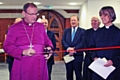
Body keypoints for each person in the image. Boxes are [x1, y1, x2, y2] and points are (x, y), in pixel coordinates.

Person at [3, 2, 53, 80]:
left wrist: (49, 49)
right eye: (31, 14)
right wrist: (22, 52)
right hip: (22, 63)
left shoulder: (40, 27)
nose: (34, 17)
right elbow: (7, 46)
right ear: (24, 13)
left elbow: (47, 41)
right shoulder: (14, 28)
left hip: (39, 64)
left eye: (36, 14)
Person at [90, 6, 120, 80]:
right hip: (98, 69)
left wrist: (113, 61)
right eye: (101, 15)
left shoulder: (118, 32)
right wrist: (94, 57)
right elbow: (91, 47)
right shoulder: (97, 32)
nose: (102, 17)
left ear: (112, 15)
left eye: (105, 15)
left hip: (113, 69)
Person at [62, 15, 85, 80]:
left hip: (78, 56)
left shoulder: (82, 31)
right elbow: (63, 41)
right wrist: (68, 49)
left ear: (78, 21)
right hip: (68, 56)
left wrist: (74, 49)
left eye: (74, 20)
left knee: (78, 75)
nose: (73, 22)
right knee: (69, 74)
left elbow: (82, 42)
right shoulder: (66, 31)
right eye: (72, 20)